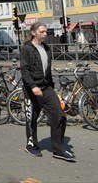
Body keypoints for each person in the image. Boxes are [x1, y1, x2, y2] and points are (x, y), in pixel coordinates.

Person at [20, 22, 75, 162]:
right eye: (42, 31)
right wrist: (33, 86)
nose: (45, 34)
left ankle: (58, 149)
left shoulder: (46, 47)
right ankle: (31, 146)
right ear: (33, 33)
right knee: (32, 118)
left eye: (46, 32)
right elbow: (25, 71)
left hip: (46, 88)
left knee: (59, 116)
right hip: (32, 89)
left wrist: (51, 88)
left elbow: (47, 70)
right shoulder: (27, 49)